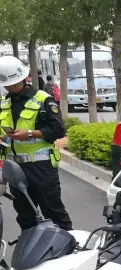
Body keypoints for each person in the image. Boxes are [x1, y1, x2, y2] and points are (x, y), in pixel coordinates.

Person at [0, 55, 71, 231]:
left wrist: (30, 133)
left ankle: (71, 250)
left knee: (53, 213)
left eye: (14, 83)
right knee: (25, 217)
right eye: (7, 85)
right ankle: (33, 253)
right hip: (15, 169)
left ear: (24, 79)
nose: (10, 87)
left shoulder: (43, 100)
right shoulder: (4, 103)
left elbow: (58, 131)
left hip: (41, 167)